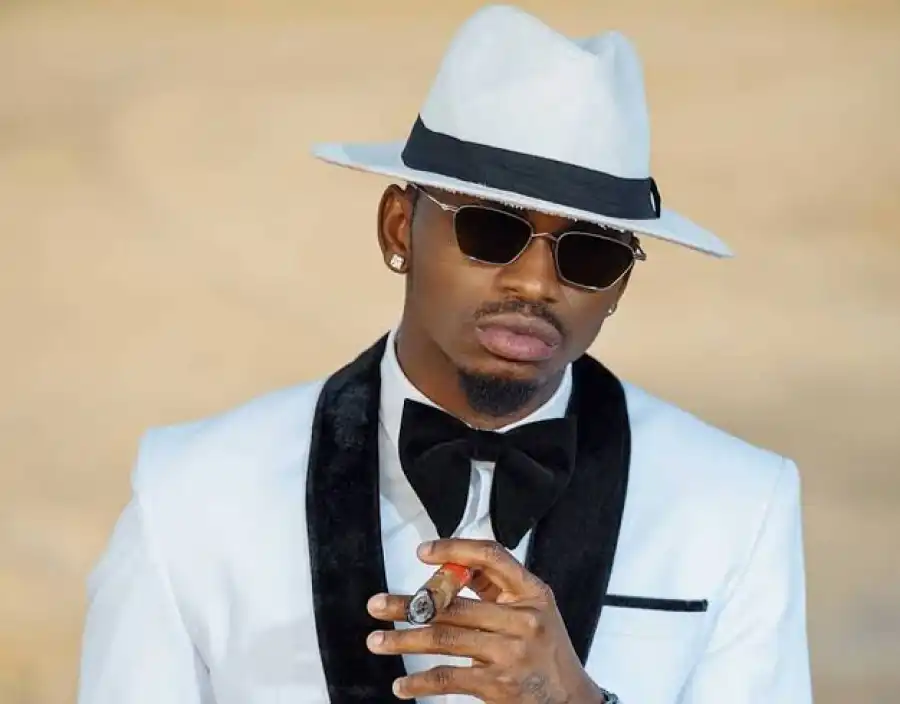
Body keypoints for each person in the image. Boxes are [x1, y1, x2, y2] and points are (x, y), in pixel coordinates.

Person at [77, 5, 813, 704]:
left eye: (589, 253)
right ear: (399, 227)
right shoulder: (194, 494)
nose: (536, 283)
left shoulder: (735, 505)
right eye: (491, 230)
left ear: (619, 283)